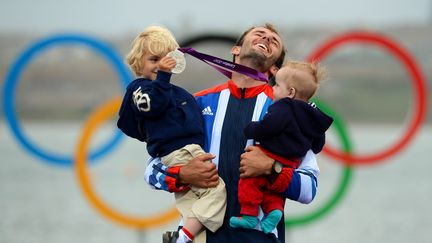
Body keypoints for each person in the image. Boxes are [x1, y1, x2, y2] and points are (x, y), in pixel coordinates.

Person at [144, 23, 321, 243]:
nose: (266, 38)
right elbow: (151, 170)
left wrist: (272, 169)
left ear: (275, 69)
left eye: (274, 41)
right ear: (235, 50)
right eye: (259, 34)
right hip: (200, 237)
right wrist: (182, 174)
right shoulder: (196, 103)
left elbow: (309, 189)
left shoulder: (291, 112)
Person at [117, 26, 227, 243]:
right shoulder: (140, 89)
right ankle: (184, 236)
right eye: (153, 59)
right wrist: (163, 79)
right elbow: (152, 106)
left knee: (192, 204)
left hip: (191, 151)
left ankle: (184, 236)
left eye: (166, 58)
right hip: (181, 153)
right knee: (217, 192)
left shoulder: (180, 94)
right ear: (139, 64)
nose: (161, 64)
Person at [229, 61, 333, 234]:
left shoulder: (283, 107)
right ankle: (275, 211)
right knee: (271, 190)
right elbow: (317, 146)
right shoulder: (313, 117)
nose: (273, 89)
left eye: (277, 85)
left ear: (290, 92)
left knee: (250, 182)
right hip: (291, 163)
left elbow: (269, 127)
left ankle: (249, 216)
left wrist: (251, 129)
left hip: (271, 153)